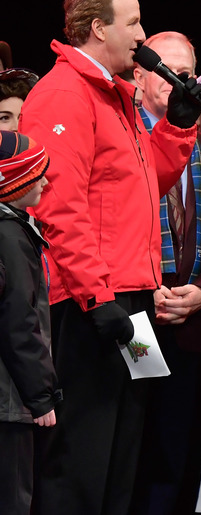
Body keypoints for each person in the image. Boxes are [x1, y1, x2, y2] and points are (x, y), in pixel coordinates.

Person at [19, 0, 201, 515]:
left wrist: (177, 127)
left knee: (122, 459)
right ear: (98, 28)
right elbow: (57, 208)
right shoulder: (63, 94)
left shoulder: (113, 96)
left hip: (130, 298)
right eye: (134, 22)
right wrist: (97, 298)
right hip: (90, 305)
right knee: (81, 462)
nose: (142, 36)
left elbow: (145, 186)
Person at [130, 61, 201, 513]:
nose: (180, 80)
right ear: (139, 78)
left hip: (190, 324)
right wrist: (143, 288)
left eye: (188, 71)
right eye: (169, 70)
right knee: (131, 447)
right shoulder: (124, 139)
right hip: (134, 320)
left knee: (178, 450)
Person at [0, 130, 59, 515]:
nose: (46, 181)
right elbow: (18, 320)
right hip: (9, 398)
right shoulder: (9, 236)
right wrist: (41, 396)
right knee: (13, 499)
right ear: (14, 182)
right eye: (36, 174)